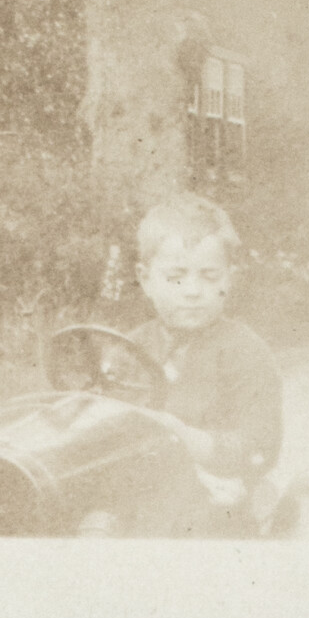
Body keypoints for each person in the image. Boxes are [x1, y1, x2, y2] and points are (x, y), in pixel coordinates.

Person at [126, 192, 282, 536]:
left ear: (228, 278)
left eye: (209, 276)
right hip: (139, 490)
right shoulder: (130, 347)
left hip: (217, 497)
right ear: (145, 278)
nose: (193, 290)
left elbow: (259, 444)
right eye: (176, 277)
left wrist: (184, 436)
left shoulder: (244, 352)